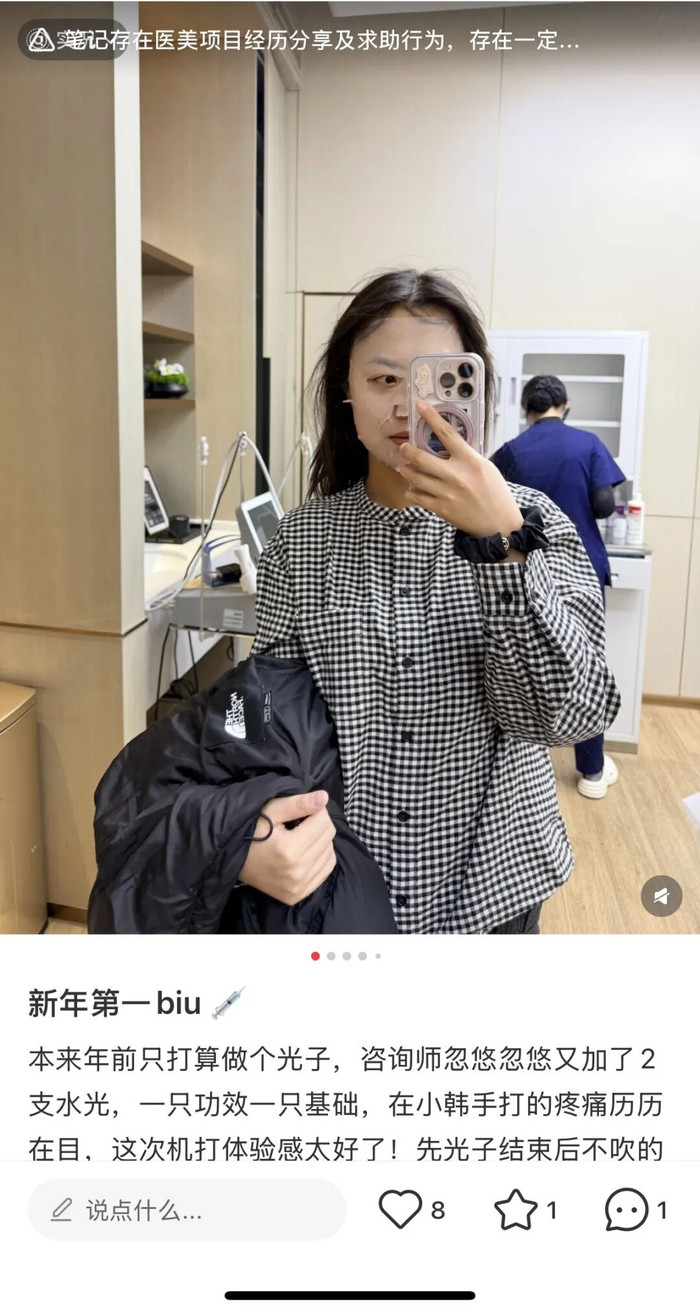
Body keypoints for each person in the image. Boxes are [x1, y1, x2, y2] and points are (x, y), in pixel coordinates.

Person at [241, 271, 620, 934]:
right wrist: (257, 826)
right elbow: (264, 719)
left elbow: (568, 717)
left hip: (493, 886)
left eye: (438, 380)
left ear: (475, 389)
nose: (408, 406)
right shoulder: (301, 542)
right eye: (385, 378)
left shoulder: (536, 523)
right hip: (346, 885)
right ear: (346, 390)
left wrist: (503, 547)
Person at [490, 375, 626, 799]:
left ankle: (522, 766)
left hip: (524, 572)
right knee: (586, 661)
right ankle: (591, 771)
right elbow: (604, 504)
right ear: (565, 405)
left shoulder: (512, 451)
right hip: (580, 567)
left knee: (523, 660)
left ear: (526, 409)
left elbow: (485, 501)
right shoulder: (588, 444)